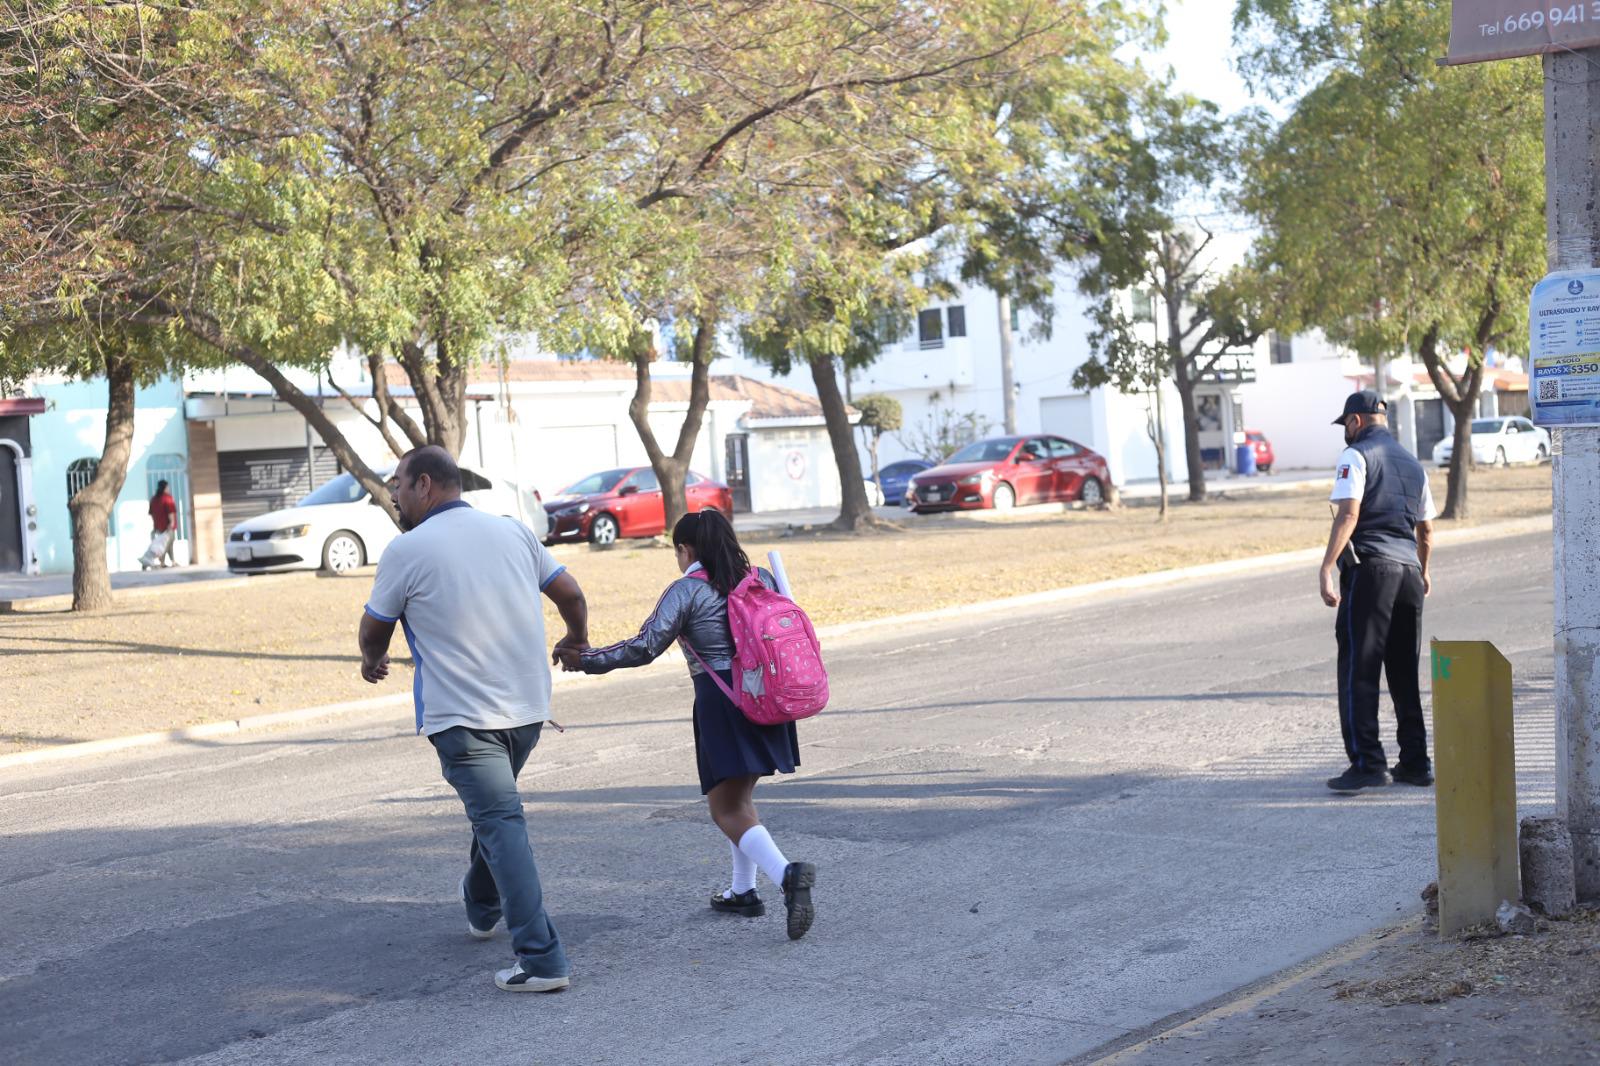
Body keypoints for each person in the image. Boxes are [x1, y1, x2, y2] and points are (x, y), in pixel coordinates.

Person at [357, 446, 590, 993]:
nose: (392, 494)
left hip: (463, 718)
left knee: (501, 821)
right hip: (528, 710)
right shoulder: (514, 532)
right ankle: (481, 904)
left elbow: (374, 628)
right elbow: (571, 593)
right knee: (496, 812)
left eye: (398, 483)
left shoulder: (407, 549)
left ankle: (542, 960)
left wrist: (371, 660)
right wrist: (577, 639)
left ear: (426, 486)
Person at [558, 510, 816, 940]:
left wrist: (586, 660)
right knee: (740, 799)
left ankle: (786, 874)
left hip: (722, 702)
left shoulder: (687, 591)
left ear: (685, 549)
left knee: (725, 808)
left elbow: (644, 646)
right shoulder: (761, 578)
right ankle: (742, 890)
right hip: (766, 693)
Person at [1318, 389, 1437, 794]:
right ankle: (1416, 762)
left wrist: (1326, 567)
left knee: (1360, 667)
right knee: (1404, 671)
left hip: (1372, 569)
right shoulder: (1413, 464)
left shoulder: (1356, 456)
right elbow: (1426, 529)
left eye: (1345, 426)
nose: (1345, 433)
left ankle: (1368, 763)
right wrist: (1423, 572)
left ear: (1355, 421)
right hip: (1408, 572)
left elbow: (1349, 514)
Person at [140, 480, 179, 570]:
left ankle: (171, 561)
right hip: (167, 526)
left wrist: (155, 525)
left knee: (167, 544)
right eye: (168, 487)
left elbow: (152, 513)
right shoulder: (167, 498)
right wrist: (172, 523)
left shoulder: (154, 499)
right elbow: (171, 512)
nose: (169, 489)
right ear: (165, 488)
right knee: (164, 545)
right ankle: (160, 562)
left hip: (158, 527)